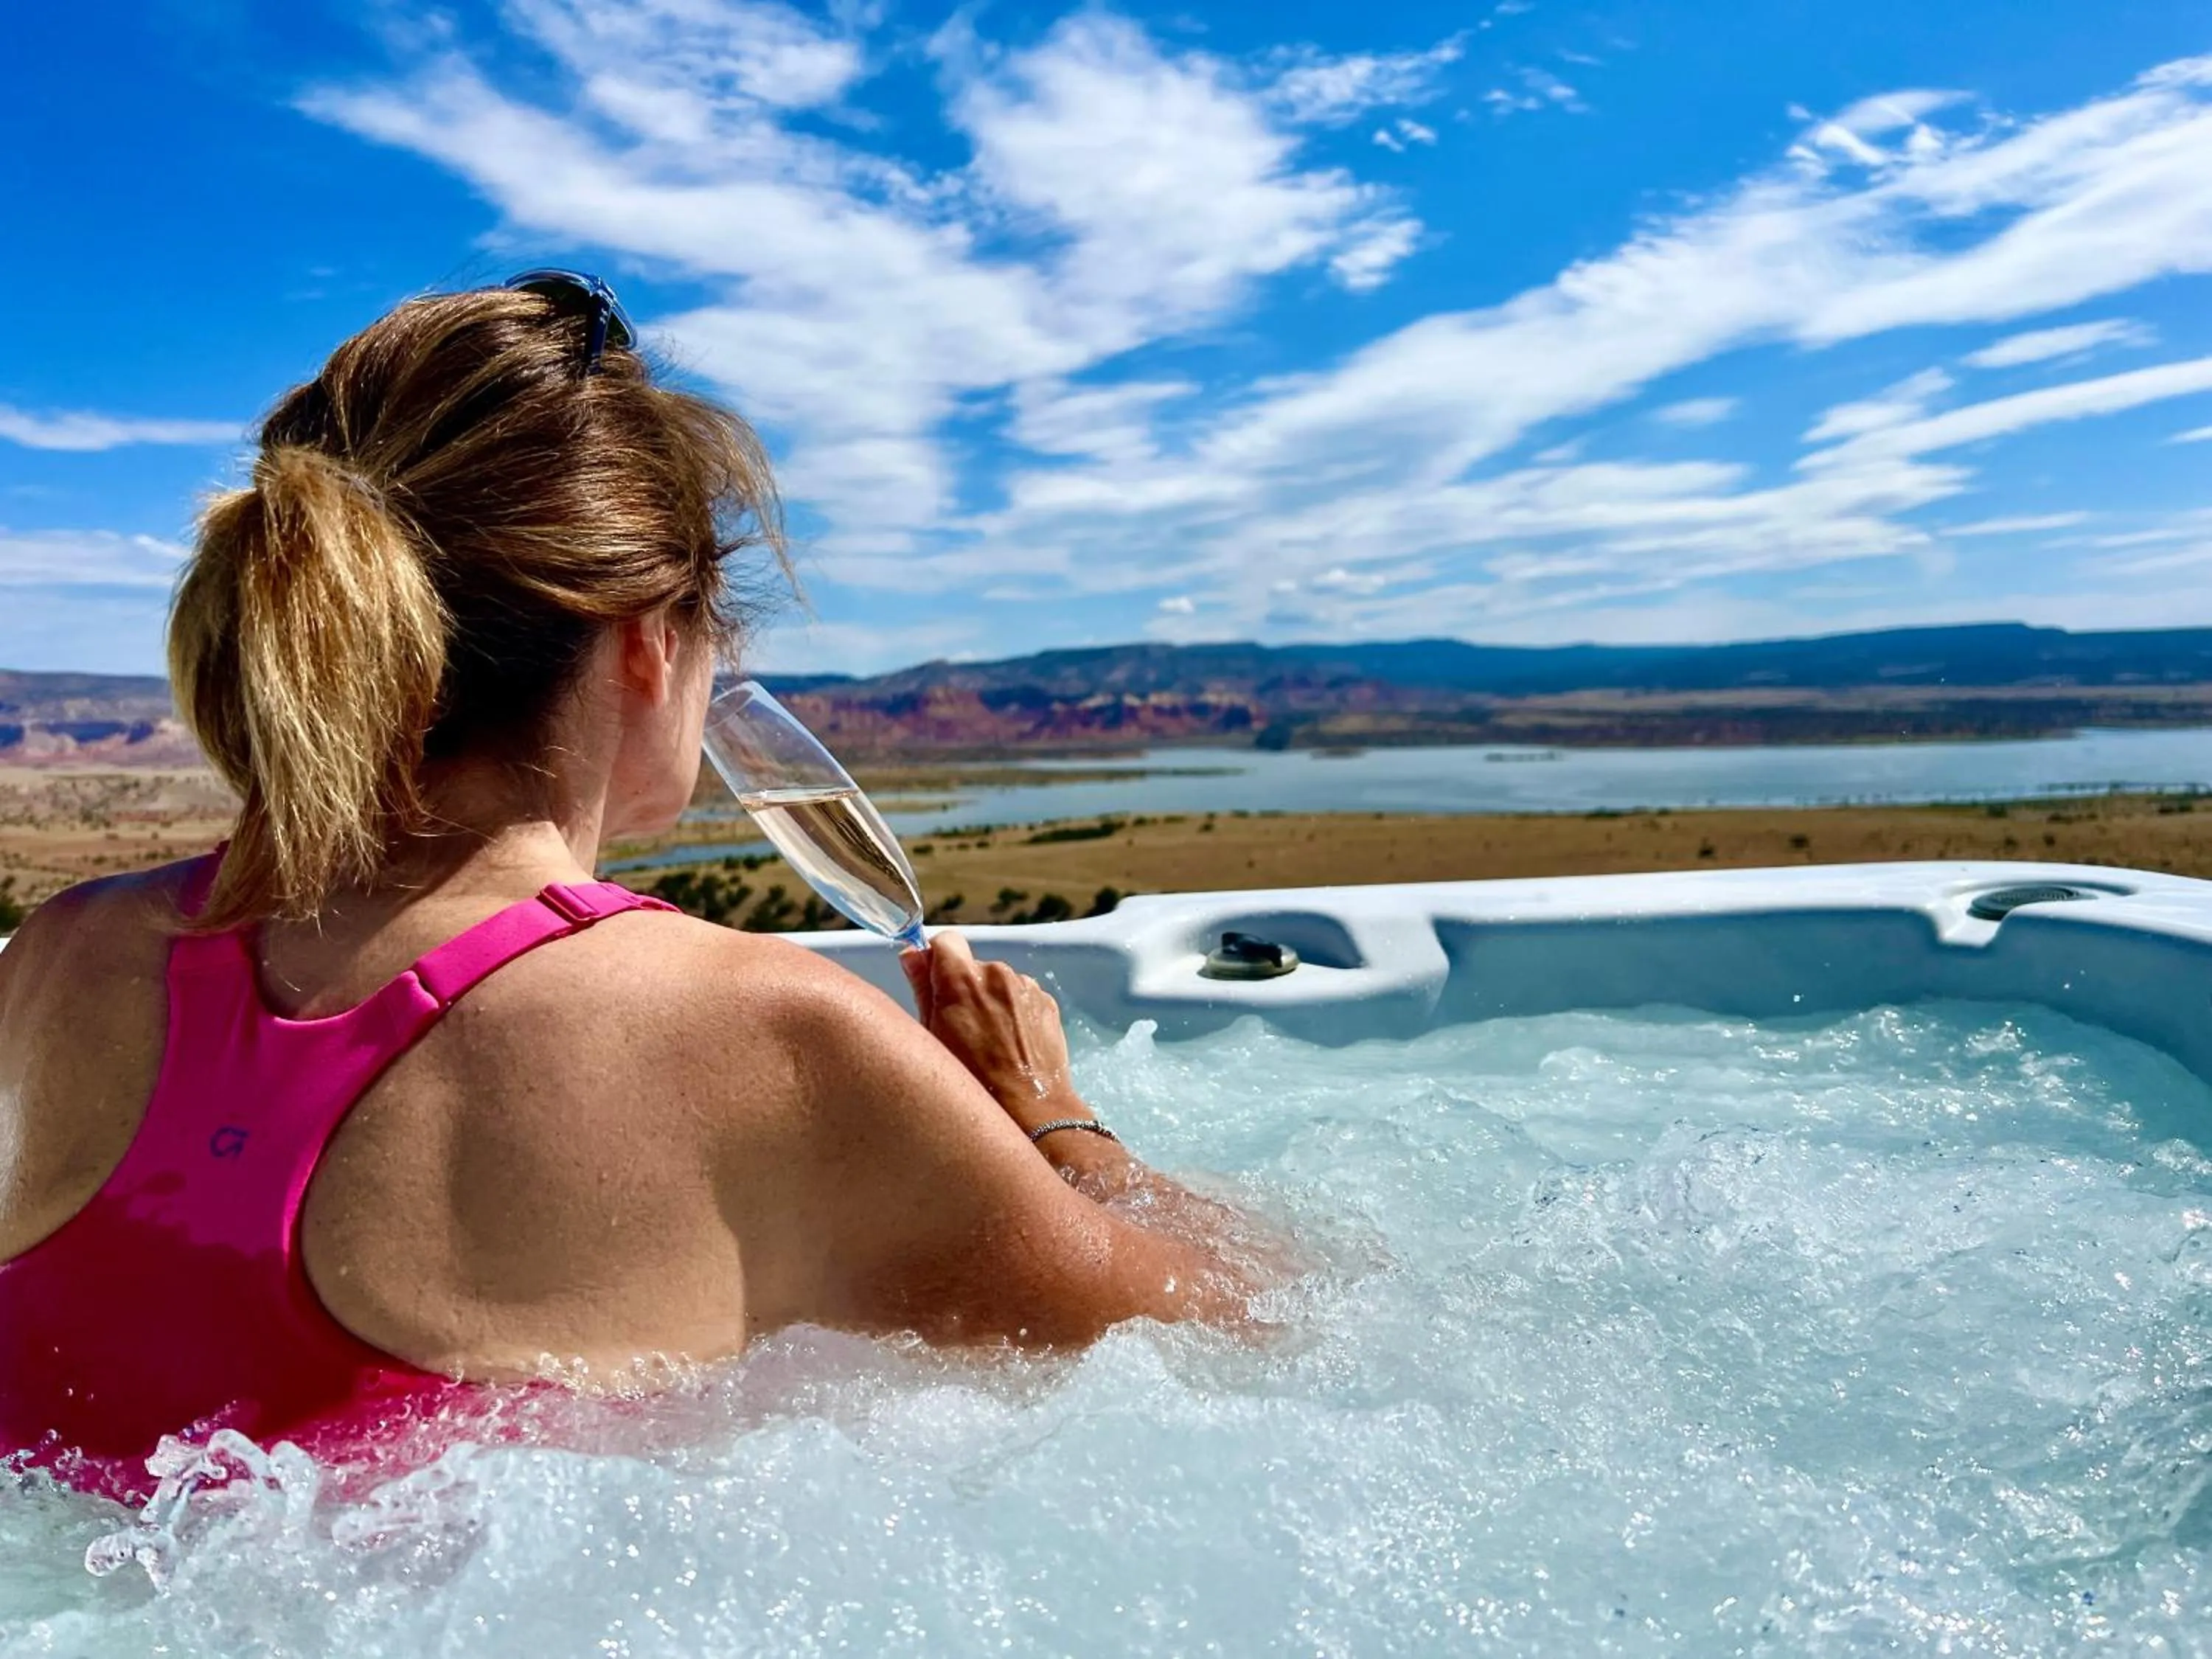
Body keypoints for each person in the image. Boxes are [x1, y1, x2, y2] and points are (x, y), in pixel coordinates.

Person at [0, 273, 1275, 1498]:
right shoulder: (761, 1040)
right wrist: (1053, 1114)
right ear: (651, 645)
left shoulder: (61, 953)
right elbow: (1256, 1330)